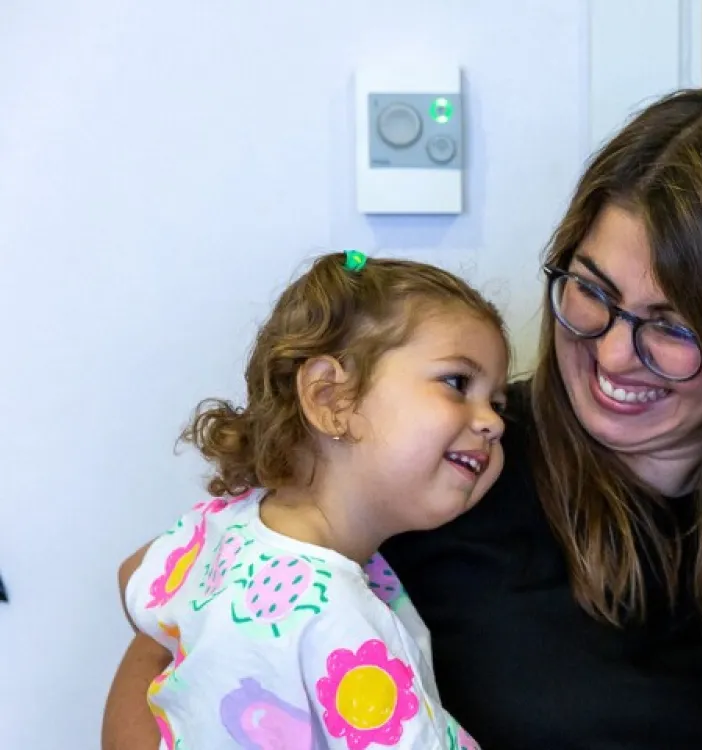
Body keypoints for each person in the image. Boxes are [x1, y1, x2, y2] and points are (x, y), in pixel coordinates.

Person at [103, 87, 702, 749]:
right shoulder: (438, 473)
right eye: (592, 292)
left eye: (671, 327)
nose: (611, 355)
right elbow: (172, 664)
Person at [116, 251, 507, 748]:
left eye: (497, 403)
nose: (494, 422)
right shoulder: (338, 618)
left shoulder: (232, 520)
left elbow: (134, 576)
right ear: (330, 399)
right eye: (457, 383)